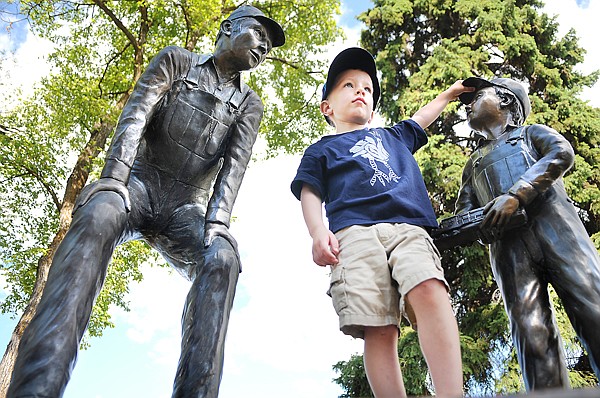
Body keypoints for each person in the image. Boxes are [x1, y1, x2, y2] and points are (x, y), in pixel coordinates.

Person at [7, 5, 284, 398]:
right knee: (99, 213)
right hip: (138, 186)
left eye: (270, 46)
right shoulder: (176, 60)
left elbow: (234, 168)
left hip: (186, 209)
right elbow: (136, 114)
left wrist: (217, 225)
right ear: (227, 28)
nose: (264, 47)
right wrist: (113, 179)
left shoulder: (250, 104)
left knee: (222, 258)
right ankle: (36, 388)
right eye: (259, 34)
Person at [290, 47, 469, 398]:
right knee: (378, 326)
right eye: (348, 85)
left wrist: (449, 94)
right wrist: (317, 232)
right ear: (327, 107)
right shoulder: (320, 151)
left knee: (429, 288)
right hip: (353, 236)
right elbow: (309, 192)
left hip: (407, 228)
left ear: (371, 109)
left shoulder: (392, 137)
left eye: (367, 89)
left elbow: (422, 117)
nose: (360, 91)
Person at [455, 76, 600, 391]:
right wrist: (477, 228)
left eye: (476, 96)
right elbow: (465, 212)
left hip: (559, 234)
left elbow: (561, 153)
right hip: (510, 253)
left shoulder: (530, 135)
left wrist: (516, 195)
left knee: (594, 310)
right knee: (531, 336)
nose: (467, 105)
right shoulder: (473, 164)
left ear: (505, 100)